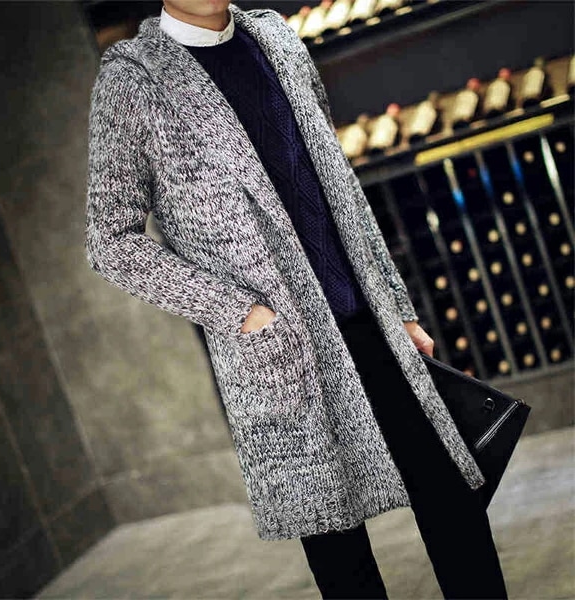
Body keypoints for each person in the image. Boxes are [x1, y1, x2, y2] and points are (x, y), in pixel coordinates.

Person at [85, 1, 508, 598]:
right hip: (280, 347)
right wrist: (238, 311)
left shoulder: (276, 37)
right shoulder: (133, 79)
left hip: (368, 322)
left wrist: (400, 308)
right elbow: (110, 241)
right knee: (341, 551)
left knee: (453, 501)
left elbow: (339, 183)